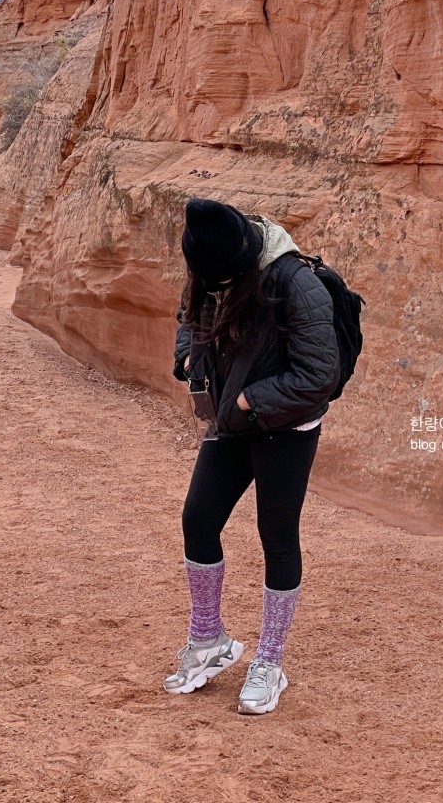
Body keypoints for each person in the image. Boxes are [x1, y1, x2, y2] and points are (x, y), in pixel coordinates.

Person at [165, 197, 341, 715]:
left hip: (286, 426)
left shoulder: (293, 282)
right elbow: (189, 315)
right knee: (199, 520)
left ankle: (270, 661)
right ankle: (209, 639)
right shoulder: (208, 267)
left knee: (277, 538)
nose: (209, 284)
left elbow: (318, 376)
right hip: (232, 420)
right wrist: (188, 357)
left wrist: (248, 401)